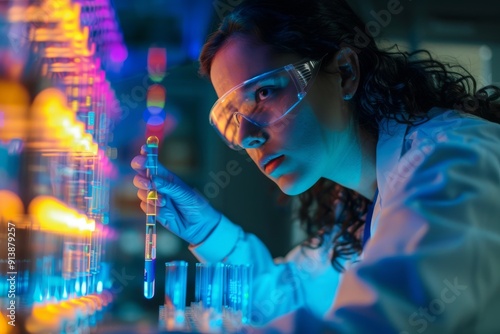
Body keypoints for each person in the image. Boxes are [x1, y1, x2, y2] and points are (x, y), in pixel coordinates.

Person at [132, 0, 500, 332]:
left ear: (345, 72)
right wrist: (207, 230)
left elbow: (374, 323)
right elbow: (288, 298)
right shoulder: (356, 208)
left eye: (263, 92)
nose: (246, 136)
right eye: (232, 117)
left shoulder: (451, 162)